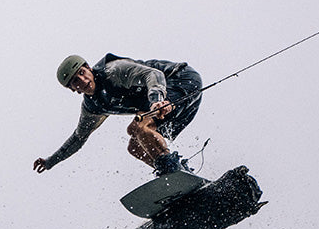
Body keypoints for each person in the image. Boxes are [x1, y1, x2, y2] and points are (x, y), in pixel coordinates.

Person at [33, 53, 203, 177]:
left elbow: (153, 74)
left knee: (141, 127)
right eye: (76, 81)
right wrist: (50, 162)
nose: (83, 81)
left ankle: (172, 171)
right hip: (162, 103)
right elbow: (78, 138)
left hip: (182, 80)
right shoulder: (92, 107)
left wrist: (157, 99)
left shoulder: (113, 71)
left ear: (89, 68)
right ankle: (178, 174)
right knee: (135, 146)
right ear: (73, 90)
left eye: (82, 73)